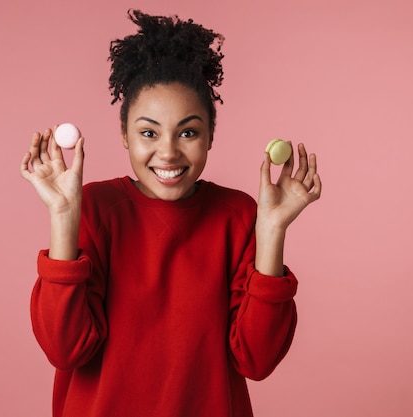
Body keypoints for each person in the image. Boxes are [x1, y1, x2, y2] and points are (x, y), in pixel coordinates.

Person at [20, 9, 321, 417]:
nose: (168, 151)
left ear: (210, 135)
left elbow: (258, 359)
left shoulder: (237, 215)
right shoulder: (95, 207)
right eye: (148, 132)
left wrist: (272, 229)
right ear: (124, 135)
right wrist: (62, 215)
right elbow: (65, 348)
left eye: (188, 132)